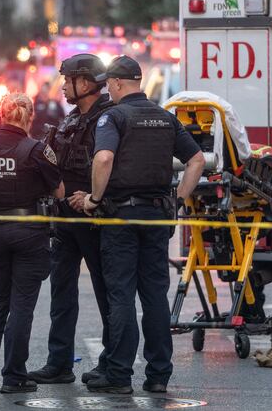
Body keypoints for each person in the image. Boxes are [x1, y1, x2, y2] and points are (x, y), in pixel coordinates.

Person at [77, 56, 205, 394]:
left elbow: (104, 158)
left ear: (118, 84)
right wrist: (177, 198)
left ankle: (118, 375)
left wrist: (93, 198)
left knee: (121, 294)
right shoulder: (166, 118)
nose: (107, 89)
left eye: (108, 84)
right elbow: (196, 160)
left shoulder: (114, 116)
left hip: (121, 217)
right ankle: (158, 375)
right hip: (158, 216)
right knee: (154, 296)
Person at [0, 93, 64, 394]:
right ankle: (14, 376)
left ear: (0, 114)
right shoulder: (35, 149)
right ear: (29, 117)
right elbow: (59, 191)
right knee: (21, 305)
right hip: (28, 232)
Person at [28, 54, 113, 385]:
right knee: (61, 292)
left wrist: (94, 200)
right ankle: (59, 363)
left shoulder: (109, 119)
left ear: (86, 83)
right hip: (64, 220)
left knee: (108, 293)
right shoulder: (70, 119)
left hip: (96, 220)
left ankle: (112, 362)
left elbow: (110, 166)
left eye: (68, 80)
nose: (62, 86)